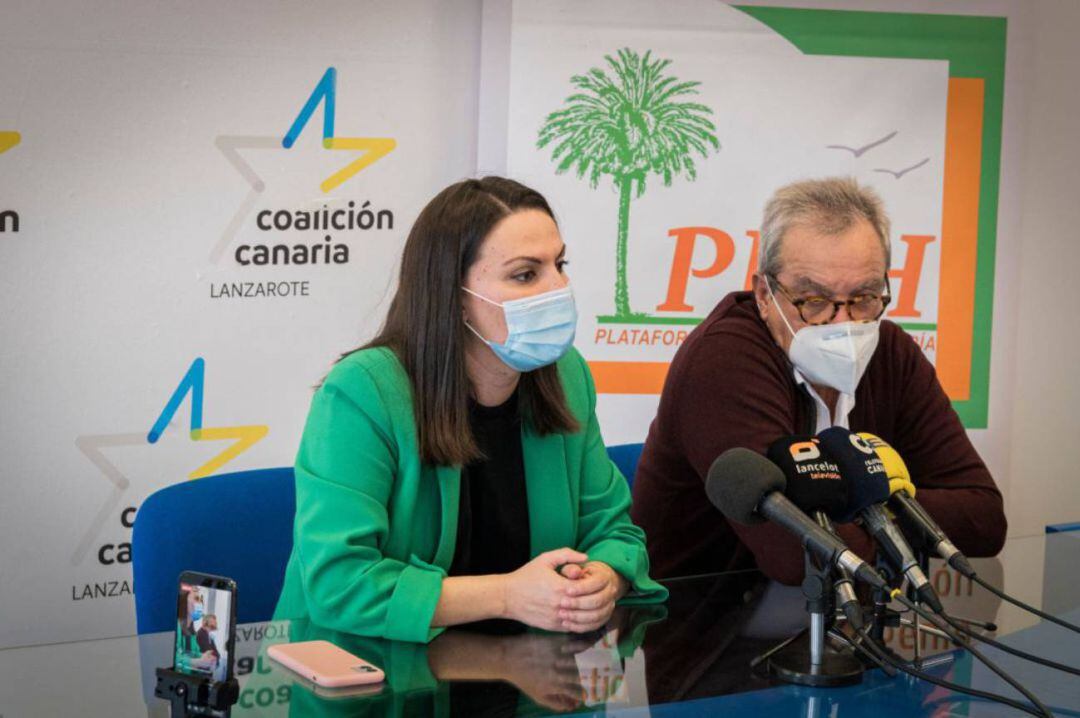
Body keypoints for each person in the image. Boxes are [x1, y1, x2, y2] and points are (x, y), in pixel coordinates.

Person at [274, 177, 666, 643]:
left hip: (529, 675)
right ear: (455, 297)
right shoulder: (362, 392)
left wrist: (605, 576)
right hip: (369, 676)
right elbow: (338, 584)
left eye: (559, 265)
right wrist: (507, 595)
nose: (558, 289)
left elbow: (615, 531)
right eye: (526, 274)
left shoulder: (566, 376)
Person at [631, 177, 1006, 583]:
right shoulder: (722, 360)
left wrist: (863, 505)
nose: (843, 323)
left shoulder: (890, 352)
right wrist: (891, 503)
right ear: (763, 295)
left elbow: (984, 520)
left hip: (855, 624)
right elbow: (797, 555)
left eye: (864, 297)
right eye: (814, 301)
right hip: (714, 630)